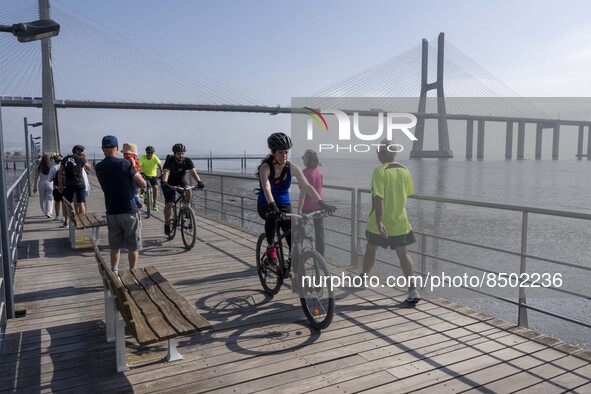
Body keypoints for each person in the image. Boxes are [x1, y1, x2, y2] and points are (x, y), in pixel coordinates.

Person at [257, 132, 335, 267]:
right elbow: (266, 187)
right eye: (281, 153)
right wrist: (272, 205)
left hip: (284, 204)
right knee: (273, 217)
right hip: (266, 203)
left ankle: (292, 263)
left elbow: (307, 186)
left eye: (286, 152)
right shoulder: (266, 167)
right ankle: (270, 248)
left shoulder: (292, 168)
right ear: (273, 152)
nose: (284, 156)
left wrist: (321, 203)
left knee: (292, 234)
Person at [359, 138, 420, 304]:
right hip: (400, 222)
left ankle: (363, 277)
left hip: (379, 222)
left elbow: (378, 198)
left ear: (384, 153)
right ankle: (412, 289)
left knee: (371, 249)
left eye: (378, 151)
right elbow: (407, 193)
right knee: (403, 254)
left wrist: (379, 222)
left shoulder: (379, 171)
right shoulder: (405, 170)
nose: (377, 154)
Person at [95, 135, 147, 273]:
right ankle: (132, 272)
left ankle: (114, 271)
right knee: (133, 247)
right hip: (129, 210)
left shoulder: (99, 167)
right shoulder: (124, 164)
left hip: (111, 212)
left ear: (102, 149)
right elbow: (143, 183)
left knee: (114, 247)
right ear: (117, 148)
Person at [160, 143, 204, 235]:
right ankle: (167, 224)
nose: (181, 155)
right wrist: (164, 182)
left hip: (181, 180)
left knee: (188, 189)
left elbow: (193, 172)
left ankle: (186, 208)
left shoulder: (187, 161)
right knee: (170, 203)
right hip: (168, 182)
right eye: (179, 153)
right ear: (175, 154)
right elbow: (166, 172)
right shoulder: (170, 160)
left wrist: (199, 182)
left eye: (183, 153)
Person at [297, 149, 326, 257]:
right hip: (319, 204)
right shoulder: (319, 172)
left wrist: (299, 209)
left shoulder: (304, 173)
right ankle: (320, 257)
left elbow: (303, 193)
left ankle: (297, 256)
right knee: (320, 233)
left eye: (303, 157)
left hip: (307, 206)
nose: (302, 159)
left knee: (299, 232)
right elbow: (320, 187)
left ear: (307, 160)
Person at [58, 145, 92, 215]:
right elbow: (89, 168)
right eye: (82, 151)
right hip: (79, 184)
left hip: (68, 184)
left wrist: (60, 185)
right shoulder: (80, 158)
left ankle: (66, 221)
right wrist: (85, 158)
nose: (83, 152)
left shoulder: (65, 159)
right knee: (81, 202)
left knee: (67, 203)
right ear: (77, 150)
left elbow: (60, 173)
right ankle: (82, 220)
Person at [139, 145, 163, 211]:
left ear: (153, 153)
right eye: (148, 152)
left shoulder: (155, 157)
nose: (150, 154)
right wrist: (138, 171)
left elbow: (160, 166)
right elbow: (139, 165)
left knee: (155, 188)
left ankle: (154, 203)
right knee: (141, 180)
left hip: (153, 175)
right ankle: (142, 191)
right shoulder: (143, 157)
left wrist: (162, 173)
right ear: (146, 152)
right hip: (144, 174)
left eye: (151, 153)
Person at [33, 154, 54, 218]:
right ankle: (49, 212)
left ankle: (45, 211)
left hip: (41, 183)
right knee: (50, 198)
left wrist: (34, 187)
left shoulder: (38, 167)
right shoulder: (51, 167)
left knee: (42, 199)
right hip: (50, 183)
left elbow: (36, 177)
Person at [122, 143, 143, 209]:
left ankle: (138, 202)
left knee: (133, 190)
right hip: (137, 174)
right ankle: (137, 200)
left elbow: (132, 162)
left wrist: (131, 168)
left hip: (133, 175)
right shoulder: (133, 156)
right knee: (135, 189)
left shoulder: (128, 156)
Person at [47, 154, 64, 222]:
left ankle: (57, 216)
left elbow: (49, 179)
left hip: (57, 187)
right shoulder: (65, 167)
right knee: (64, 202)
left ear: (54, 161)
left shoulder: (53, 168)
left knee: (57, 201)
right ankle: (64, 216)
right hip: (65, 187)